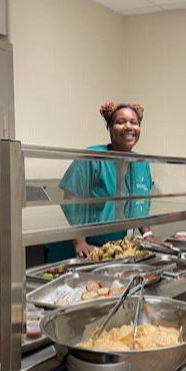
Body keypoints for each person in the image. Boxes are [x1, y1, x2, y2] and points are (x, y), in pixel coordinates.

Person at [46, 102, 161, 263]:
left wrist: (148, 236)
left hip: (110, 249)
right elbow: (70, 199)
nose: (128, 127)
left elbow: (139, 206)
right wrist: (80, 242)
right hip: (79, 249)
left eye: (134, 122)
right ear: (110, 127)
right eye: (121, 122)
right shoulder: (92, 158)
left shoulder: (141, 163)